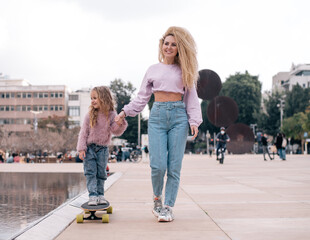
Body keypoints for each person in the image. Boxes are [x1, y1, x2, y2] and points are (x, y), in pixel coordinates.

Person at [115, 26, 202, 222]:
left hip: (179, 117)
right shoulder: (152, 70)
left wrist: (194, 120)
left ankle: (168, 207)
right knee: (158, 165)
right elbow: (142, 98)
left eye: (173, 44)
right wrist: (124, 112)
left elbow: (191, 97)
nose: (169, 47)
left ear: (179, 48)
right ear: (161, 46)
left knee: (174, 167)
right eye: (166, 44)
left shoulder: (185, 70)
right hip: (157, 116)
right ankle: (157, 199)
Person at [77, 86, 128, 205]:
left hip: (103, 150)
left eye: (95, 98)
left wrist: (120, 123)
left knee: (101, 173)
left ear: (104, 98)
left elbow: (115, 131)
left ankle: (100, 195)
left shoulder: (111, 114)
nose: (93, 101)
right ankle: (92, 196)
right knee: (90, 172)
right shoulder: (89, 115)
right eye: (91, 98)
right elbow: (83, 132)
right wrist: (81, 149)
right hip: (89, 149)